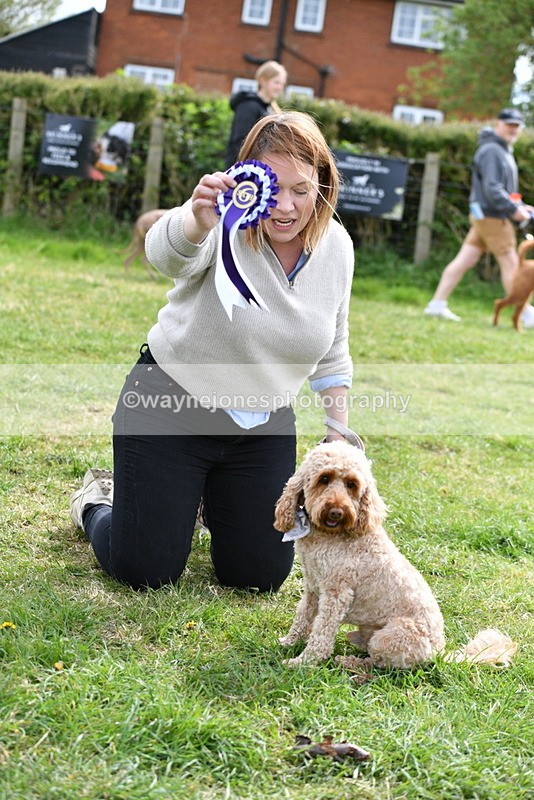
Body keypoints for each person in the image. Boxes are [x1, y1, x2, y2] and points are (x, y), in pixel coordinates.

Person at [70, 111, 355, 593]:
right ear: (249, 177)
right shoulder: (222, 219)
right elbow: (166, 256)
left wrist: (339, 434)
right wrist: (196, 219)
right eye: (275, 187)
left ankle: (196, 502)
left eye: (302, 190)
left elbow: (333, 351)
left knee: (258, 577)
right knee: (146, 571)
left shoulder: (338, 248)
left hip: (261, 427)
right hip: (169, 406)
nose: (285, 206)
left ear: (323, 183)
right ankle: (98, 502)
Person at [424, 108, 534, 328]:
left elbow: (502, 189)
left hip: (483, 214)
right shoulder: (493, 150)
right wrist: (513, 210)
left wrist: (520, 204)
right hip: (492, 216)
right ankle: (525, 313)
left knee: (466, 259)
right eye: (508, 124)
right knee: (511, 261)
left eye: (516, 126)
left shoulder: (501, 149)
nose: (512, 129)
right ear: (497, 124)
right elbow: (493, 189)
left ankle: (436, 304)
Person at [225, 60, 287, 168]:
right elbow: (240, 142)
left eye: (282, 84)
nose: (279, 87)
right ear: (263, 81)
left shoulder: (270, 109)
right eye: (276, 82)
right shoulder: (248, 106)